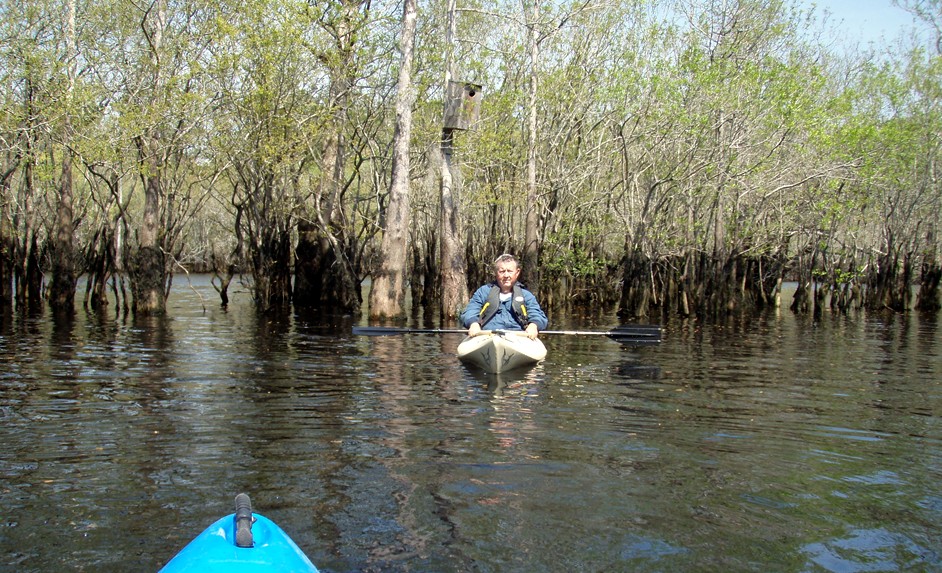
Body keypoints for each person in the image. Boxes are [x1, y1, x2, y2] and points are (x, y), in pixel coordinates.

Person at [461, 254, 548, 339]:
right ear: (496, 273)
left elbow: (537, 314)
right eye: (502, 271)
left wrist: (533, 325)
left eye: (510, 271)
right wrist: (473, 324)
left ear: (517, 272)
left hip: (519, 337)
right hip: (487, 336)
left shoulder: (526, 295)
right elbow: (470, 311)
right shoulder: (483, 292)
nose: (506, 275)